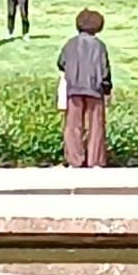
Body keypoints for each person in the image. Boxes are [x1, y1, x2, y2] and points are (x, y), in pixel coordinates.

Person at [57, 9, 112, 168]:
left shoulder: (70, 44)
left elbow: (61, 63)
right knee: (96, 126)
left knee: (73, 126)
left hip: (74, 89)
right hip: (95, 89)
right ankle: (95, 160)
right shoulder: (100, 46)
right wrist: (107, 89)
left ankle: (75, 159)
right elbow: (105, 70)